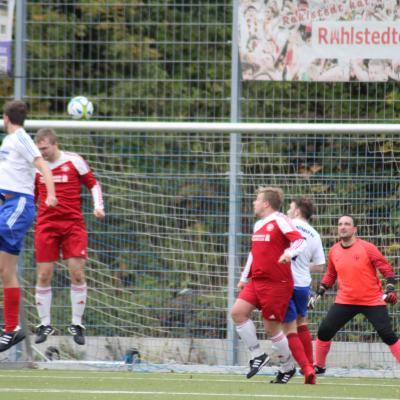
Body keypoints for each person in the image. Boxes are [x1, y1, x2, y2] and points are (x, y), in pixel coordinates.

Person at [230, 186, 316, 384]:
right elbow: (254, 254)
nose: (254, 203)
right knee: (237, 312)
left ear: (266, 203)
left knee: (272, 330)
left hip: (277, 284)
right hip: (257, 281)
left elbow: (299, 241)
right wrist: (244, 277)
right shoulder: (258, 224)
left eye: (257, 200)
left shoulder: (280, 220)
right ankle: (258, 355)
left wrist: (288, 254)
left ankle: (287, 367)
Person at [33, 128, 105, 345]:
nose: (42, 153)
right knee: (44, 275)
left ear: (55, 144)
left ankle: (76, 323)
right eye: (39, 149)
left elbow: (93, 183)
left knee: (77, 274)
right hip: (46, 225)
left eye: (44, 148)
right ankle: (45, 324)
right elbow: (32, 195)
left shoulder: (74, 161)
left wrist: (98, 206)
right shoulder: (36, 167)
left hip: (73, 225)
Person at [309, 215, 400, 372]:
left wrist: (390, 287)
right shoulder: (334, 250)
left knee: (387, 334)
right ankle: (319, 366)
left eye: (347, 224)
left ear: (354, 229)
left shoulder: (367, 248)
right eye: (340, 224)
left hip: (372, 300)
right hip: (345, 300)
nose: (342, 227)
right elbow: (330, 275)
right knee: (324, 331)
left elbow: (386, 269)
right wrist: (319, 292)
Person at [0, 100, 57, 352]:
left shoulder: (21, 137)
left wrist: (51, 194)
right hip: (6, 205)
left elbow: (42, 165)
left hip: (18, 206)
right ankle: (12, 328)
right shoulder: (8, 141)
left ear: (6, 118)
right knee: (5, 270)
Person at [280, 198, 325, 379]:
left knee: (285, 329)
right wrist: (303, 266)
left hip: (283, 282)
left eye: (290, 208)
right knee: (301, 324)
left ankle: (299, 368)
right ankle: (310, 366)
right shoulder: (314, 234)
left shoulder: (287, 225)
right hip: (302, 285)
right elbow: (320, 266)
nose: (289, 211)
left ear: (297, 211)